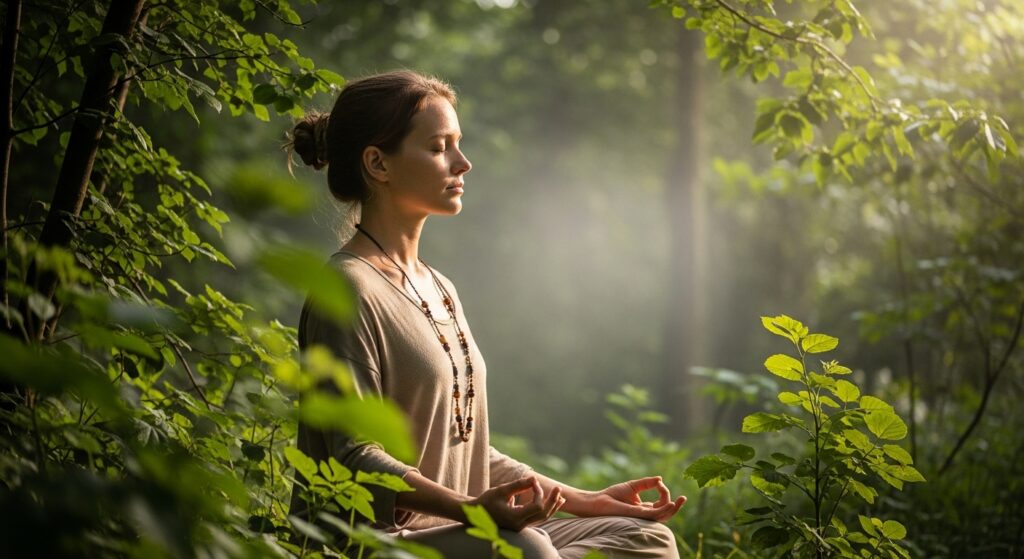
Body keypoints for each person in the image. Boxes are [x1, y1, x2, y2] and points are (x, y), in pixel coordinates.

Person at [284, 70, 686, 558]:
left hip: (465, 535)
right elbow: (354, 457)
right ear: (378, 163)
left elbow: (466, 450)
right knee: (528, 550)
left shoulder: (440, 287)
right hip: (375, 546)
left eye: (458, 144)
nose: (463, 162)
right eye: (439, 147)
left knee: (644, 538)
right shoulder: (346, 289)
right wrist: (474, 511)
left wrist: (584, 502)